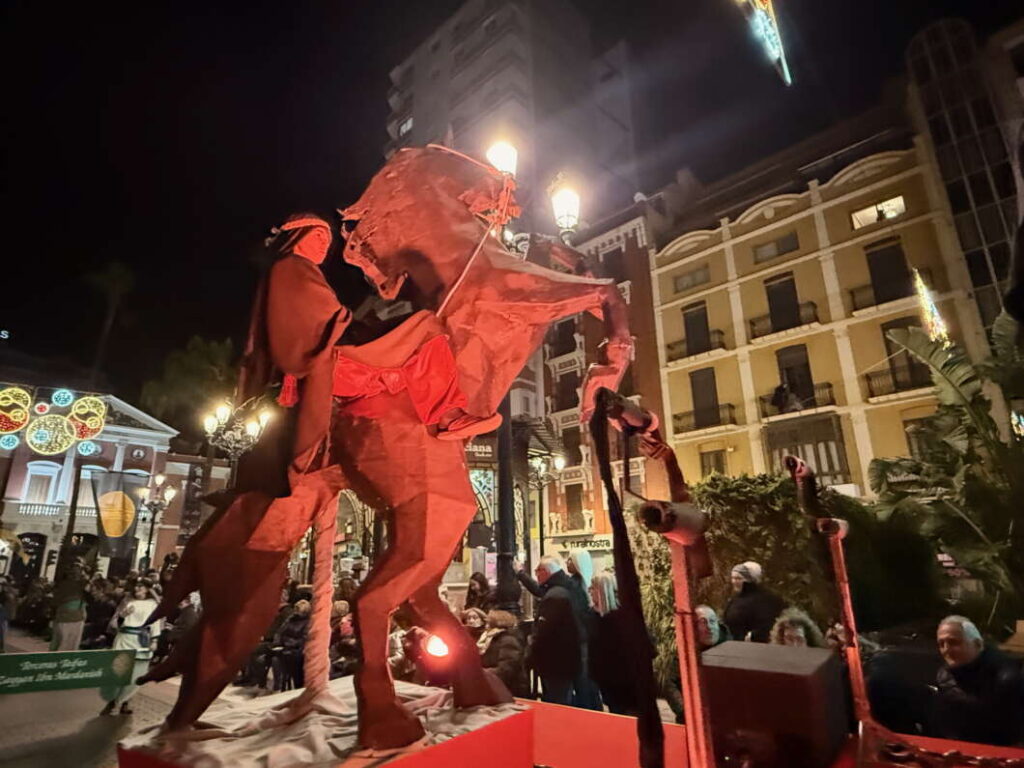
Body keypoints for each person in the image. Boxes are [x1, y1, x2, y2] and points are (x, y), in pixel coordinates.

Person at [930, 615, 1024, 746]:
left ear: (977, 644)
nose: (946, 649)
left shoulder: (1007, 678)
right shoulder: (944, 675)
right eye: (941, 644)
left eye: (954, 642)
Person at [525, 556, 585, 705]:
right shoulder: (567, 587)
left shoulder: (555, 596)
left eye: (537, 570)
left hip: (556, 663)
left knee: (557, 701)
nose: (536, 574)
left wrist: (532, 647)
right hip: (569, 659)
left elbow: (545, 633)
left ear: (545, 571)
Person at [101, 582, 161, 715]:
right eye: (136, 586)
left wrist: (154, 640)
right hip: (124, 638)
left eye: (141, 586)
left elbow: (155, 622)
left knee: (137, 674)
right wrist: (123, 615)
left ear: (147, 589)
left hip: (140, 641)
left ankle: (125, 701)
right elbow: (115, 622)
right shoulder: (127, 601)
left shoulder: (152, 604)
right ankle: (112, 701)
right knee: (119, 671)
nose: (137, 588)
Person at [588, 572, 637, 715]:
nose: (589, 591)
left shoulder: (623, 617)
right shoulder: (593, 615)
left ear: (602, 590)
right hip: (607, 683)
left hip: (625, 684)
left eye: (593, 588)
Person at [723, 561, 784, 643]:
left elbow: (770, 623)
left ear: (749, 580)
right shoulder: (735, 599)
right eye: (732, 578)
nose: (734, 581)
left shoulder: (768, 599)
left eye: (738, 578)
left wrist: (753, 636)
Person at [478, 609, 529, 698]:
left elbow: (506, 669)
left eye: (488, 623)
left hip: (509, 690)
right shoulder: (488, 638)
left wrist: (481, 673)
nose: (486, 626)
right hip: (493, 686)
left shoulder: (508, 640)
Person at [272, 599, 311, 691]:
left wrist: (289, 642)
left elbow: (304, 639)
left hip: (297, 650)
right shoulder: (290, 619)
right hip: (284, 646)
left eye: (298, 610)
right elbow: (280, 632)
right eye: (296, 609)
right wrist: (278, 642)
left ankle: (295, 686)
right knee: (272, 657)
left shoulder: (308, 622)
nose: (296, 612)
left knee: (289, 660)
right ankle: (276, 685)